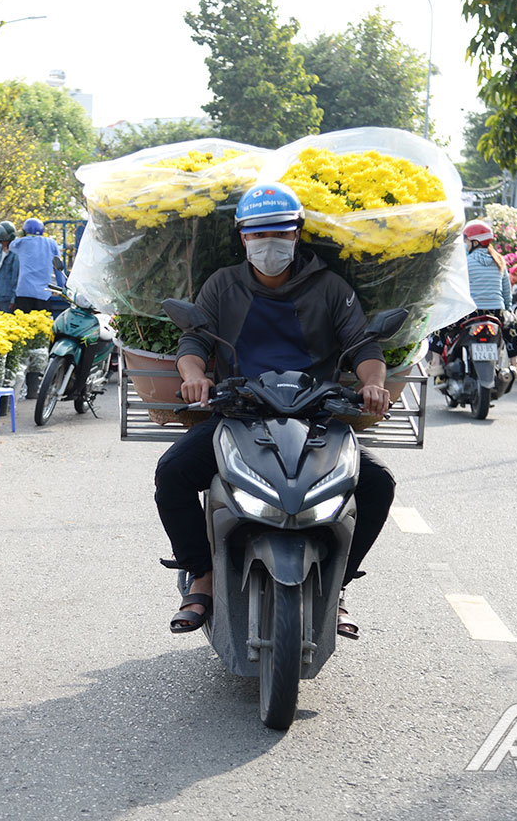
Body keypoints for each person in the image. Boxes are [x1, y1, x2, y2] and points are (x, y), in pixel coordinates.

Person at [154, 182, 395, 640]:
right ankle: (201, 574)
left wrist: (373, 385)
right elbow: (194, 341)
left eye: (280, 234)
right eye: (257, 235)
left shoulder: (330, 287)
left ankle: (338, 584)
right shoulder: (222, 284)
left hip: (318, 418)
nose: (269, 244)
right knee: (173, 473)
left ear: (297, 234)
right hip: (240, 415)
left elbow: (363, 344)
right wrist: (193, 374)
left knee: (378, 483)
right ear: (242, 237)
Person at [461, 219, 517, 376]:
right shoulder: (500, 261)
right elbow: (507, 292)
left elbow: (459, 288)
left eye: (466, 240)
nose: (465, 244)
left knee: (440, 328)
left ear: (475, 242)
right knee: (512, 327)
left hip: (472, 313)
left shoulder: (466, 262)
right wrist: (508, 311)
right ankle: (515, 363)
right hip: (496, 313)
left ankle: (436, 363)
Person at [11, 218, 67, 312]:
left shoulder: (21, 242)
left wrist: (20, 236)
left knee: (23, 322)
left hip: (24, 291)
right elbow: (58, 268)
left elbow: (11, 246)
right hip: (43, 293)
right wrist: (62, 289)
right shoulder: (51, 243)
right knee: (42, 323)